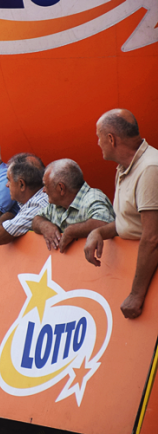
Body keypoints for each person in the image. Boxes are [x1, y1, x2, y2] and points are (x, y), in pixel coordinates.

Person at [85, 109, 158, 319]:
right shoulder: (124, 166)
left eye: (99, 137)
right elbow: (128, 221)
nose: (98, 143)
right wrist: (98, 233)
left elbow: (152, 237)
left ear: (111, 139)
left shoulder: (150, 168)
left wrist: (136, 294)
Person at [32, 159, 115, 252]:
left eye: (46, 186)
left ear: (61, 188)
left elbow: (105, 224)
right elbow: (36, 219)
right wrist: (44, 225)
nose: (44, 190)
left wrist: (71, 231)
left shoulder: (93, 197)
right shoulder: (56, 203)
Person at [0, 153, 48, 245]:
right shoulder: (39, 197)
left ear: (21, 184)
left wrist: (9, 214)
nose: (7, 185)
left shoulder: (38, 204)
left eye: (9, 180)